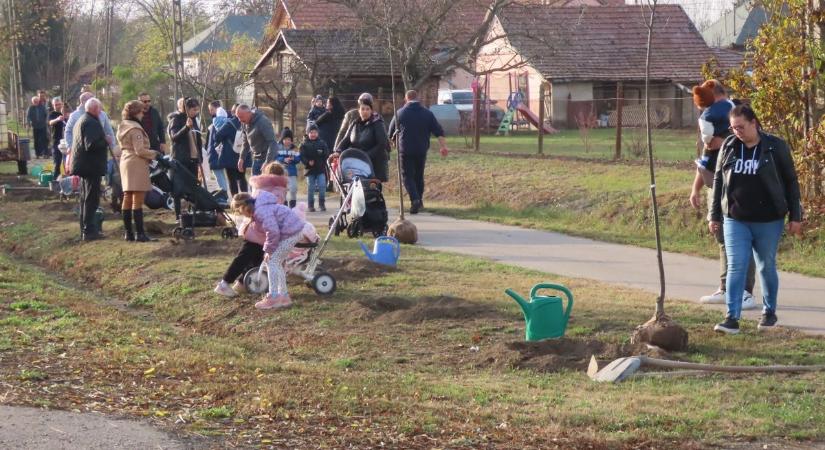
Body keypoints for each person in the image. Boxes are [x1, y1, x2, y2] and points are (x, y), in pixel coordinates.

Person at [710, 105, 803, 334]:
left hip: (768, 219)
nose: (737, 132)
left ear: (754, 123)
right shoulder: (729, 147)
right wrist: (714, 215)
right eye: (733, 128)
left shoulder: (775, 146)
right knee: (736, 266)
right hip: (735, 218)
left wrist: (796, 216)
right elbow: (718, 182)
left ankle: (769, 313)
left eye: (741, 127)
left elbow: (791, 182)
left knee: (765, 266)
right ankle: (731, 317)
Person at [690, 80, 757, 309]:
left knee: (742, 239)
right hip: (716, 187)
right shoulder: (713, 122)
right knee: (721, 237)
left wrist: (726, 140)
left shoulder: (740, 119)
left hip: (738, 188)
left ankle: (745, 292)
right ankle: (725, 287)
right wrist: (696, 188)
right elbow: (709, 161)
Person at [214, 165, 287, 298]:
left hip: (255, 232)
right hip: (257, 233)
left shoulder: (261, 187)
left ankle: (242, 283)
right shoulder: (277, 191)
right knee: (244, 259)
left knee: (254, 260)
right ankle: (224, 284)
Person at [230, 190, 304, 310]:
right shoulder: (260, 208)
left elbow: (273, 231)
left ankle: (274, 297)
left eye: (239, 211)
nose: (241, 214)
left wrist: (268, 250)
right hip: (292, 232)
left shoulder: (261, 212)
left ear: (244, 207)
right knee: (276, 262)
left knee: (272, 262)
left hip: (290, 233)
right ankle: (283, 297)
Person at [388, 90, 449, 214]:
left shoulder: (400, 113)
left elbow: (390, 132)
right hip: (421, 149)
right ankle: (419, 201)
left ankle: (414, 199)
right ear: (418, 98)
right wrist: (443, 147)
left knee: (407, 176)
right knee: (419, 176)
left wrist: (393, 143)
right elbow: (439, 131)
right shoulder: (427, 114)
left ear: (406, 99)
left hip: (405, 150)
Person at [117, 100, 161, 242]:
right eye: (141, 111)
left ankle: (128, 233)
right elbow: (139, 150)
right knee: (138, 198)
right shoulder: (135, 128)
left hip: (125, 161)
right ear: (136, 112)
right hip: (136, 163)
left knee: (127, 197)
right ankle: (140, 234)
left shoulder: (123, 125)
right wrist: (155, 153)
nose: (143, 114)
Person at [71, 98, 109, 241]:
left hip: (84, 166)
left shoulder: (82, 119)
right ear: (94, 109)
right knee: (91, 199)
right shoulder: (91, 122)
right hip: (91, 167)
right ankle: (89, 231)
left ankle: (85, 229)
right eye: (100, 108)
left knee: (84, 198)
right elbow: (91, 145)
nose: (101, 111)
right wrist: (106, 140)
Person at [336, 97, 389, 182]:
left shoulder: (377, 123)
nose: (365, 111)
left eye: (367, 109)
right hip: (358, 162)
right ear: (359, 110)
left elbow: (382, 143)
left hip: (374, 162)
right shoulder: (354, 123)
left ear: (371, 111)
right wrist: (338, 151)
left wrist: (366, 155)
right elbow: (346, 140)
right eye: (363, 109)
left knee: (372, 190)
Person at [168, 98, 204, 218]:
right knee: (178, 188)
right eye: (194, 109)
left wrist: (200, 158)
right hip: (180, 159)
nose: (196, 112)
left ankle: (193, 213)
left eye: (197, 109)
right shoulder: (176, 119)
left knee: (193, 187)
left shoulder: (195, 120)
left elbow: (198, 140)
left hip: (193, 159)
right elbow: (174, 137)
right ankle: (178, 214)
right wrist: (186, 127)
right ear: (186, 109)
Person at [210, 106, 249, 195]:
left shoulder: (229, 124)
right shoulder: (247, 122)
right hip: (243, 154)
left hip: (229, 155)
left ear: (234, 112)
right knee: (242, 178)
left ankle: (235, 201)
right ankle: (245, 200)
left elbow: (217, 137)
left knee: (232, 180)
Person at [65, 92, 116, 156]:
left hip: (99, 150)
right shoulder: (74, 116)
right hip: (81, 150)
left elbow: (109, 131)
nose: (94, 102)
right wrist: (70, 146)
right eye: (91, 100)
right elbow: (68, 131)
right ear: (83, 102)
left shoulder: (102, 114)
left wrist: (112, 146)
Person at [236, 104, 279, 176]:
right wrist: (241, 158)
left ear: (249, 113)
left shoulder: (263, 122)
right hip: (256, 158)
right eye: (238, 117)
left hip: (267, 158)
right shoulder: (244, 123)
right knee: (254, 185)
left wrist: (268, 162)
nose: (240, 120)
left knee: (266, 185)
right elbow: (245, 142)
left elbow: (272, 143)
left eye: (241, 117)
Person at [300, 124, 329, 212]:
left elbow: (326, 153)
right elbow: (302, 156)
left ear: (318, 133)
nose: (313, 134)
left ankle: (321, 204)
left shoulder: (322, 143)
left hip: (320, 169)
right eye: (311, 132)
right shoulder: (304, 144)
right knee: (311, 188)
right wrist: (308, 162)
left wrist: (322, 157)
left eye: (315, 132)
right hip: (309, 170)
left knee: (322, 186)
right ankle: (310, 205)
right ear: (308, 133)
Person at [206, 104, 230, 192]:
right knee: (221, 176)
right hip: (220, 153)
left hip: (214, 154)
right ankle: (225, 193)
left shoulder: (214, 125)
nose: (210, 112)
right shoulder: (228, 125)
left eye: (212, 109)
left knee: (219, 177)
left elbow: (212, 142)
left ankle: (224, 195)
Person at [276, 129, 300, 207]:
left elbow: (298, 158)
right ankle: (284, 205)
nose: (287, 141)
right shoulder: (277, 147)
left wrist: (294, 159)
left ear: (291, 140)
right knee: (283, 190)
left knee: (293, 188)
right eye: (285, 139)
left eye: (289, 139)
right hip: (281, 173)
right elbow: (275, 158)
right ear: (282, 139)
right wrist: (283, 159)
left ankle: (293, 206)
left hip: (292, 172)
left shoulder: (294, 148)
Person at [47, 98, 68, 178]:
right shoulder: (52, 114)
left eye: (59, 104)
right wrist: (58, 119)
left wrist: (66, 116)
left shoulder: (65, 114)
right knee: (57, 162)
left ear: (61, 104)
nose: (57, 106)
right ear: (53, 105)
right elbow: (50, 122)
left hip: (66, 141)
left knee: (67, 162)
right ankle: (55, 179)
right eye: (55, 105)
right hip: (56, 141)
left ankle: (68, 179)